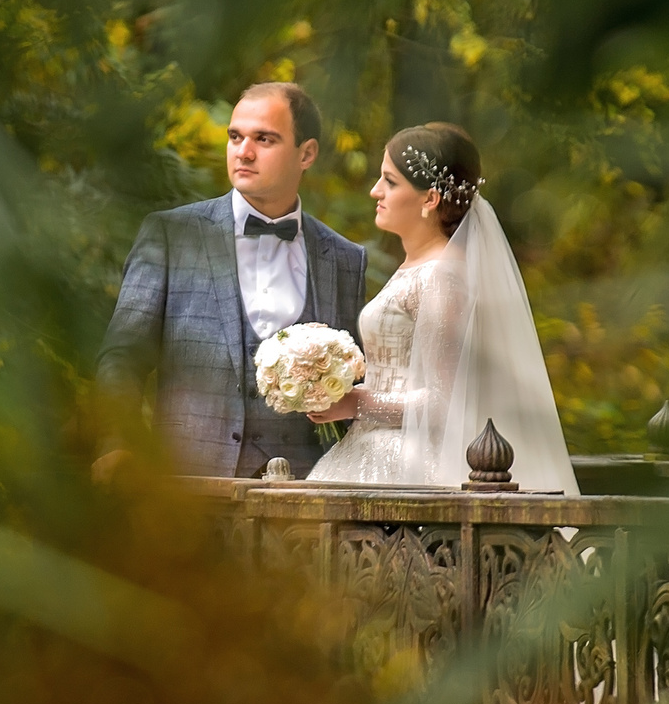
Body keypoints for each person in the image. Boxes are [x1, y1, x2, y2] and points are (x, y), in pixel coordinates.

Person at [96, 82, 369, 478]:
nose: (244, 151)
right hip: (185, 493)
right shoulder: (172, 235)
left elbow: (356, 385)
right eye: (235, 137)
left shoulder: (345, 259)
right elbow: (121, 359)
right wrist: (120, 444)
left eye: (265, 139)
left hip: (307, 500)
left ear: (306, 153)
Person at [304, 123, 577, 493]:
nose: (375, 191)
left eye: (390, 181)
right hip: (369, 447)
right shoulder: (416, 268)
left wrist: (356, 402)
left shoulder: (442, 277)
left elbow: (443, 403)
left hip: (406, 462)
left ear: (430, 199)